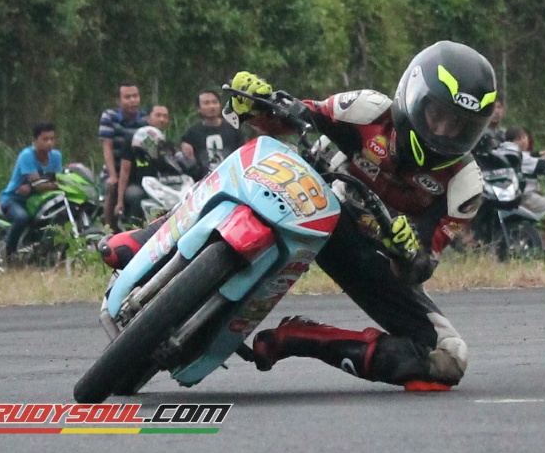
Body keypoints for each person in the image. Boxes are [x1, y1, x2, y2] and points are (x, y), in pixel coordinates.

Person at [101, 41, 496, 390]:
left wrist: (407, 253)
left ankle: (303, 339)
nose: (443, 132)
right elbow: (294, 116)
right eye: (436, 115)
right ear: (412, 96)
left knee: (448, 358)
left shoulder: (463, 185)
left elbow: (420, 268)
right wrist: (258, 102)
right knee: (257, 156)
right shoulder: (368, 110)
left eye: (459, 126)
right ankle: (149, 237)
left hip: (366, 255)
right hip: (307, 193)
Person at [0, 122, 63, 259]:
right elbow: (39, 184)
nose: (49, 143)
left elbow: (57, 179)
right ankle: (9, 254)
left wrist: (44, 185)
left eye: (52, 139)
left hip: (38, 200)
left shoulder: (56, 156)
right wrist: (53, 185)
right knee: (22, 218)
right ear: (35, 141)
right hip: (15, 199)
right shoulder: (27, 156)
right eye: (45, 139)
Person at [116, 104, 179, 222]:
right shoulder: (132, 139)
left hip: (162, 185)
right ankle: (135, 225)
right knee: (135, 195)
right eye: (158, 115)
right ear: (148, 118)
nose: (161, 119)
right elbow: (124, 171)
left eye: (165, 116)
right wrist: (119, 201)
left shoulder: (167, 143)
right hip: (138, 184)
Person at [99, 83, 148, 231]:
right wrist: (113, 175)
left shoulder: (145, 118)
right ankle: (109, 229)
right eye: (127, 97)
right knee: (112, 187)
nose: (132, 100)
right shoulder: (109, 117)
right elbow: (107, 147)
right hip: (115, 168)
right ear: (118, 101)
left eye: (135, 96)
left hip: (137, 170)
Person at [505, 126, 545, 250]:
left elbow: (533, 156)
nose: (523, 141)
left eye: (524, 137)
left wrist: (540, 154)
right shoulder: (521, 157)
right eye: (518, 139)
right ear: (510, 142)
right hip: (525, 196)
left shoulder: (511, 154)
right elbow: (543, 165)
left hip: (518, 194)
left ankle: (540, 236)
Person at [180, 90, 244, 180]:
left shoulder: (233, 129)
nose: (212, 106)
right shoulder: (192, 133)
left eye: (214, 102)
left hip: (232, 178)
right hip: (203, 181)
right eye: (206, 103)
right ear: (198, 108)